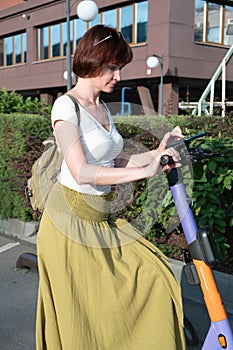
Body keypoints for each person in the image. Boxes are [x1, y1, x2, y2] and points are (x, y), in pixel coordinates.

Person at [36, 24, 187, 349]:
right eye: (113, 67)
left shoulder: (102, 108)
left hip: (100, 220)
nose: (118, 75)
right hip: (69, 227)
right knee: (85, 321)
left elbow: (115, 163)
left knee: (156, 279)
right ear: (93, 60)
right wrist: (143, 172)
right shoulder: (66, 106)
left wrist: (158, 153)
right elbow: (81, 171)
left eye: (120, 67)